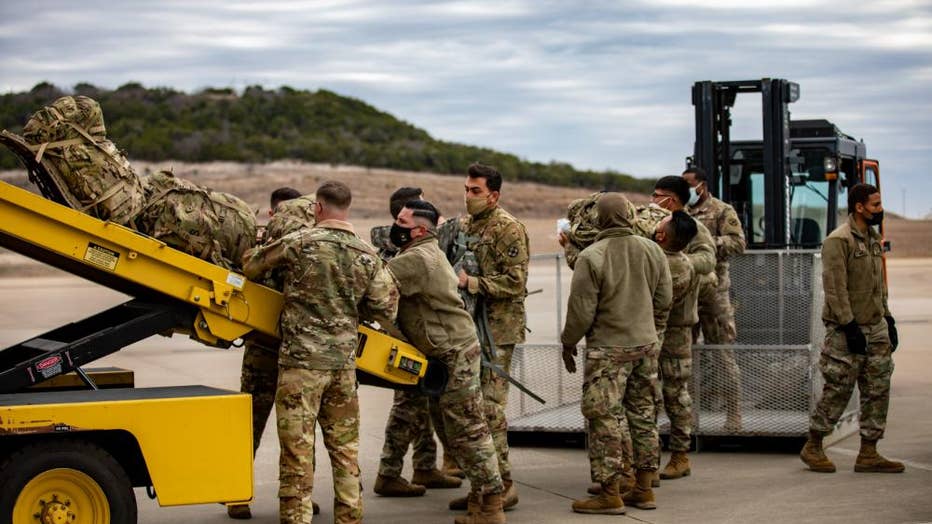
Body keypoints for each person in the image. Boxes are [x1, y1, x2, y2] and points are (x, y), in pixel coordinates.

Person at [243, 180, 399, 524]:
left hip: (300, 367)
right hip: (343, 368)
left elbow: (252, 266)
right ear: (348, 207)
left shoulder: (300, 242)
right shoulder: (365, 254)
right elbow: (386, 308)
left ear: (317, 208)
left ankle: (297, 518)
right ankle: (349, 516)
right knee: (345, 452)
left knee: (296, 453)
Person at [386, 199, 507, 523]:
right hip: (448, 349)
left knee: (467, 429)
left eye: (402, 222)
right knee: (452, 427)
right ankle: (482, 493)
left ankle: (492, 504)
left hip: (453, 352)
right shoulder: (420, 251)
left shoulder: (417, 258)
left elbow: (373, 282)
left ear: (421, 230)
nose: (395, 227)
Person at [561, 193, 672, 514]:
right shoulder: (653, 250)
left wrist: (569, 341)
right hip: (646, 345)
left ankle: (610, 491)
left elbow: (581, 311)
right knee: (642, 415)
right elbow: (664, 299)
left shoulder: (592, 256)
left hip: (608, 350)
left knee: (604, 417)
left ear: (599, 219)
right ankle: (644, 488)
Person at [800, 183, 903, 474]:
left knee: (878, 390)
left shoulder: (872, 237)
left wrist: (888, 318)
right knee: (838, 390)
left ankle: (869, 452)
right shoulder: (839, 240)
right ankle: (814, 445)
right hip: (847, 331)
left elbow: (877, 284)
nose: (880, 210)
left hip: (876, 327)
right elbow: (834, 288)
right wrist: (849, 325)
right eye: (875, 205)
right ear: (859, 207)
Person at [228, 187, 317, 520]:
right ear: (270, 214)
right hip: (263, 351)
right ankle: (236, 495)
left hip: (297, 352)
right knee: (250, 424)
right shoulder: (261, 247)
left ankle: (300, 496)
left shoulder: (307, 246)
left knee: (299, 429)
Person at [372, 187, 463, 497]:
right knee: (408, 406)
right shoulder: (402, 251)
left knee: (418, 407)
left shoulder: (407, 245)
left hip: (419, 339)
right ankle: (389, 471)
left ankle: (424, 466)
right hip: (406, 341)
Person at [451, 162, 529, 512]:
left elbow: (516, 283)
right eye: (466, 190)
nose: (468, 196)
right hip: (469, 329)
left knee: (490, 411)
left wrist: (473, 283)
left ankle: (503, 486)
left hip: (498, 331)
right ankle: (483, 485)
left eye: (475, 191)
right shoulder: (465, 225)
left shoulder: (508, 229)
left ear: (494, 195)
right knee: (470, 411)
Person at [682, 167, 745, 432]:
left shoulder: (721, 210)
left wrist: (706, 242)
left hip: (715, 293)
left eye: (689, 184)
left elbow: (738, 243)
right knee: (684, 356)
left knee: (723, 355)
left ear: (702, 186)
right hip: (687, 292)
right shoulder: (680, 212)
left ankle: (733, 415)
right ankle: (689, 416)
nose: (685, 190)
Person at [652, 212, 700, 480]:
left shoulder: (672, 265)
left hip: (673, 335)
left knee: (673, 395)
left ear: (662, 235)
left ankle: (679, 455)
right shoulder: (674, 259)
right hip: (670, 333)